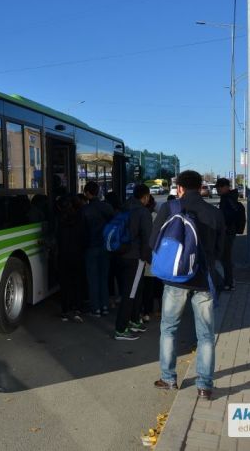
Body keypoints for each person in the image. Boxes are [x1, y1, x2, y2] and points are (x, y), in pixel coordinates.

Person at [150, 170, 225, 400]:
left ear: (179, 188)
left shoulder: (169, 209)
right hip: (204, 281)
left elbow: (154, 242)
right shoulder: (214, 212)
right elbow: (222, 249)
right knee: (205, 335)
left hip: (175, 281)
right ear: (201, 186)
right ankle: (204, 385)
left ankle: (169, 378)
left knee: (169, 328)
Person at [114, 184, 152, 340]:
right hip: (135, 257)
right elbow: (148, 238)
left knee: (133, 289)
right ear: (145, 196)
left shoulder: (124, 207)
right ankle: (121, 329)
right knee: (131, 292)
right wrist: (147, 258)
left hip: (120, 254)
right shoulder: (143, 212)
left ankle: (134, 320)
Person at [82, 181, 115, 317]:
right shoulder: (107, 207)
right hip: (105, 247)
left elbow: (82, 231)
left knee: (93, 278)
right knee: (104, 277)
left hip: (90, 247)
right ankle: (105, 306)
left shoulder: (84, 210)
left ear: (87, 193)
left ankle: (96, 308)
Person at [55, 195, 85, 322]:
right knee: (77, 282)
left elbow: (56, 239)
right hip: (77, 255)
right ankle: (77, 308)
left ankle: (65, 311)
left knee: (65, 284)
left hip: (63, 255)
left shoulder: (58, 220)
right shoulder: (79, 218)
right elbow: (84, 237)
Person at [216, 178, 240, 291]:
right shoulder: (227, 197)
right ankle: (228, 281)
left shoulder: (228, 199)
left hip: (228, 232)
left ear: (226, 187)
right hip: (228, 231)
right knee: (224, 257)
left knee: (225, 258)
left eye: (220, 187)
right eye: (217, 187)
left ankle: (229, 283)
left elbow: (231, 215)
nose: (218, 189)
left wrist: (224, 224)